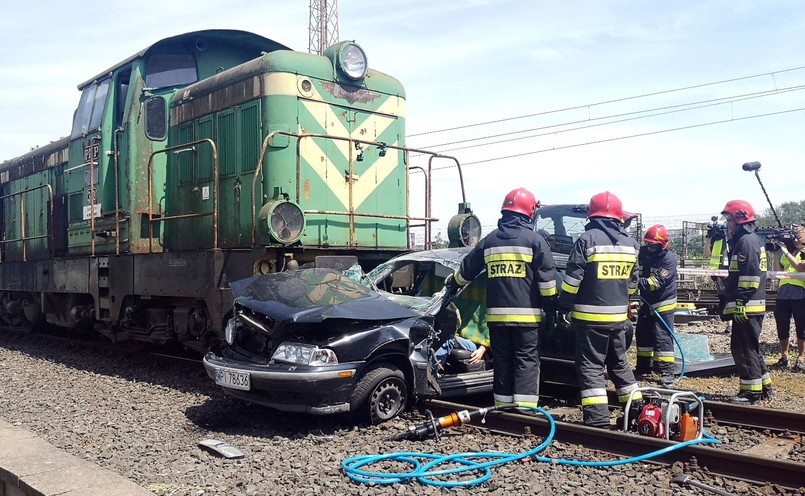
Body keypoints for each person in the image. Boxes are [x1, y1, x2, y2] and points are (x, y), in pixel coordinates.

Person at [446, 187, 557, 412]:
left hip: (496, 320)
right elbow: (547, 283)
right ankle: (525, 413)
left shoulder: (490, 241)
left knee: (503, 364)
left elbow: (465, 272)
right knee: (526, 363)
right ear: (529, 212)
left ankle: (504, 412)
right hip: (527, 321)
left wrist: (451, 284)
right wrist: (552, 310)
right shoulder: (535, 241)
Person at [557, 191, 642, 428]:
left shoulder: (587, 239)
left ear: (592, 215)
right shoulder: (631, 244)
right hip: (618, 318)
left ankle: (597, 420)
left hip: (589, 318)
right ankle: (636, 412)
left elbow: (573, 280)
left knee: (591, 366)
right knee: (619, 363)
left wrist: (563, 306)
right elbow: (633, 284)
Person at [720, 200, 773, 404]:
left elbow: (749, 276)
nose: (727, 223)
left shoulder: (746, 242)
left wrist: (741, 302)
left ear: (740, 219)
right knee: (751, 347)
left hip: (747, 305)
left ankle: (751, 393)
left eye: (729, 219)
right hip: (750, 304)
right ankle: (765, 386)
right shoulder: (747, 239)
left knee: (743, 348)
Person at [634, 224, 678, 387]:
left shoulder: (668, 260)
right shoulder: (644, 253)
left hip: (663, 303)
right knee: (643, 334)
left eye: (653, 245)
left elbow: (655, 283)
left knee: (662, 338)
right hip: (646, 302)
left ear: (662, 245)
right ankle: (644, 367)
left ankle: (667, 372)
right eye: (648, 244)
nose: (650, 247)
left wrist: (633, 282)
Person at [771, 225, 805, 371]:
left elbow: (800, 267)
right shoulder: (789, 252)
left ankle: (801, 357)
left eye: (799, 237)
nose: (796, 240)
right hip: (783, 292)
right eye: (794, 237)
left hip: (800, 293)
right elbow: (778, 272)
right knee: (782, 325)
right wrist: (775, 254)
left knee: (801, 327)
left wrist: (786, 252)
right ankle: (784, 357)